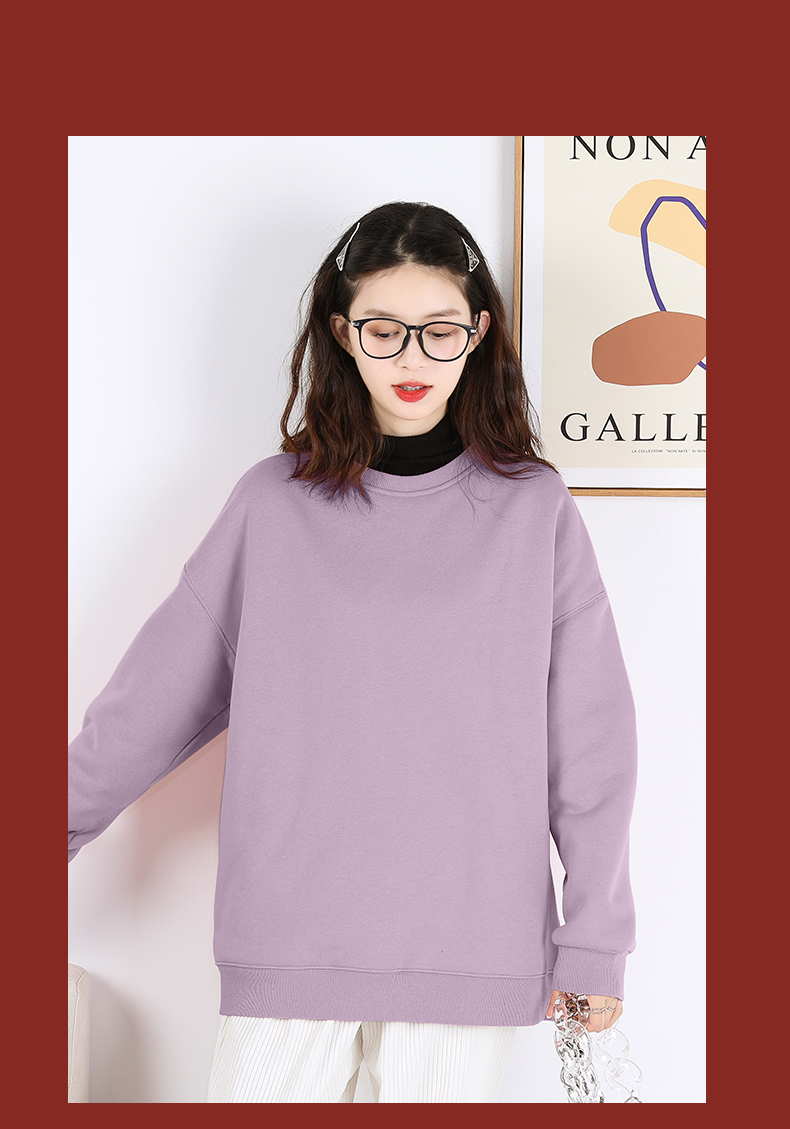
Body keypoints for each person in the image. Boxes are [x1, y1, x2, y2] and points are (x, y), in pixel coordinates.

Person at [68, 201, 638, 1103]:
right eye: (383, 329)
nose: (412, 358)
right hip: (288, 934)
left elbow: (593, 743)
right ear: (343, 333)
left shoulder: (535, 510)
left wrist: (596, 938)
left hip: (469, 940)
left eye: (439, 329)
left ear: (478, 332)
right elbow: (153, 699)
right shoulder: (271, 503)